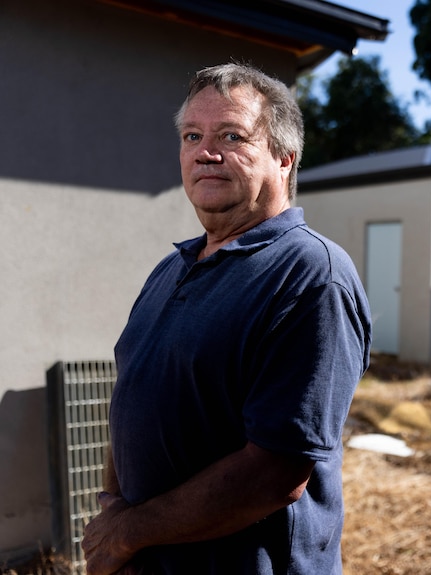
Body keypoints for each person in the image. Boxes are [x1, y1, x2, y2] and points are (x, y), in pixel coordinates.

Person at [81, 63, 372, 574]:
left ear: (284, 159)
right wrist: (115, 516)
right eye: (192, 135)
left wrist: (127, 532)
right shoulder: (171, 269)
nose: (205, 152)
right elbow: (134, 396)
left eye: (231, 136)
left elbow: (276, 472)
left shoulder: (310, 275)